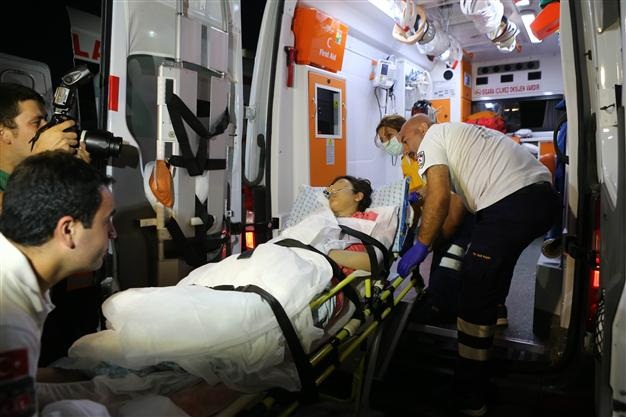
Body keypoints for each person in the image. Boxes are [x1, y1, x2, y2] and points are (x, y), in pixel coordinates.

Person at [397, 114, 560, 416]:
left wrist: (421, 244)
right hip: (540, 199)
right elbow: (453, 201)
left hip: (510, 202)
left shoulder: (432, 137)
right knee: (493, 271)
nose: (407, 152)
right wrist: (432, 231)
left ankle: (469, 394)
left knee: (473, 289)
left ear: (421, 128)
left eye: (405, 142)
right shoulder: (461, 138)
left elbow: (439, 197)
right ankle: (493, 323)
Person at [0, 150, 115, 416]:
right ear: (68, 230)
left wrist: (97, 386)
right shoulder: (10, 321)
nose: (113, 232)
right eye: (106, 221)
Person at [0, 82, 95, 367]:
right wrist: (42, 161)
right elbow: (13, 216)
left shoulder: (36, 173)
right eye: (36, 122)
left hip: (52, 306)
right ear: (3, 132)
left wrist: (76, 174)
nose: (45, 130)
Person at [376, 114, 471, 324]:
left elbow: (441, 192)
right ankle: (437, 298)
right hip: (435, 214)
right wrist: (412, 226)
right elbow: (421, 194)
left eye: (390, 136)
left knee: (450, 260)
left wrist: (426, 243)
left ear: (404, 131)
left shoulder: (431, 150)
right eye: (383, 140)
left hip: (455, 210)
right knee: (438, 262)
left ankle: (446, 308)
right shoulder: (406, 161)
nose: (387, 143)